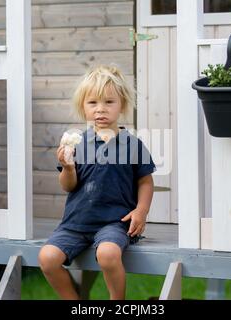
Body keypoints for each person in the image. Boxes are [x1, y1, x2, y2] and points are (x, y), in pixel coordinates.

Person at [38, 65, 157, 300]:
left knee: (108, 254)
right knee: (47, 258)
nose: (100, 109)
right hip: (76, 222)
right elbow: (68, 186)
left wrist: (141, 211)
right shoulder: (77, 143)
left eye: (109, 102)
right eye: (92, 103)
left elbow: (145, 181)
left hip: (114, 222)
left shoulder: (132, 145)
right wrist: (69, 168)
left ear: (121, 105)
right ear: (83, 107)